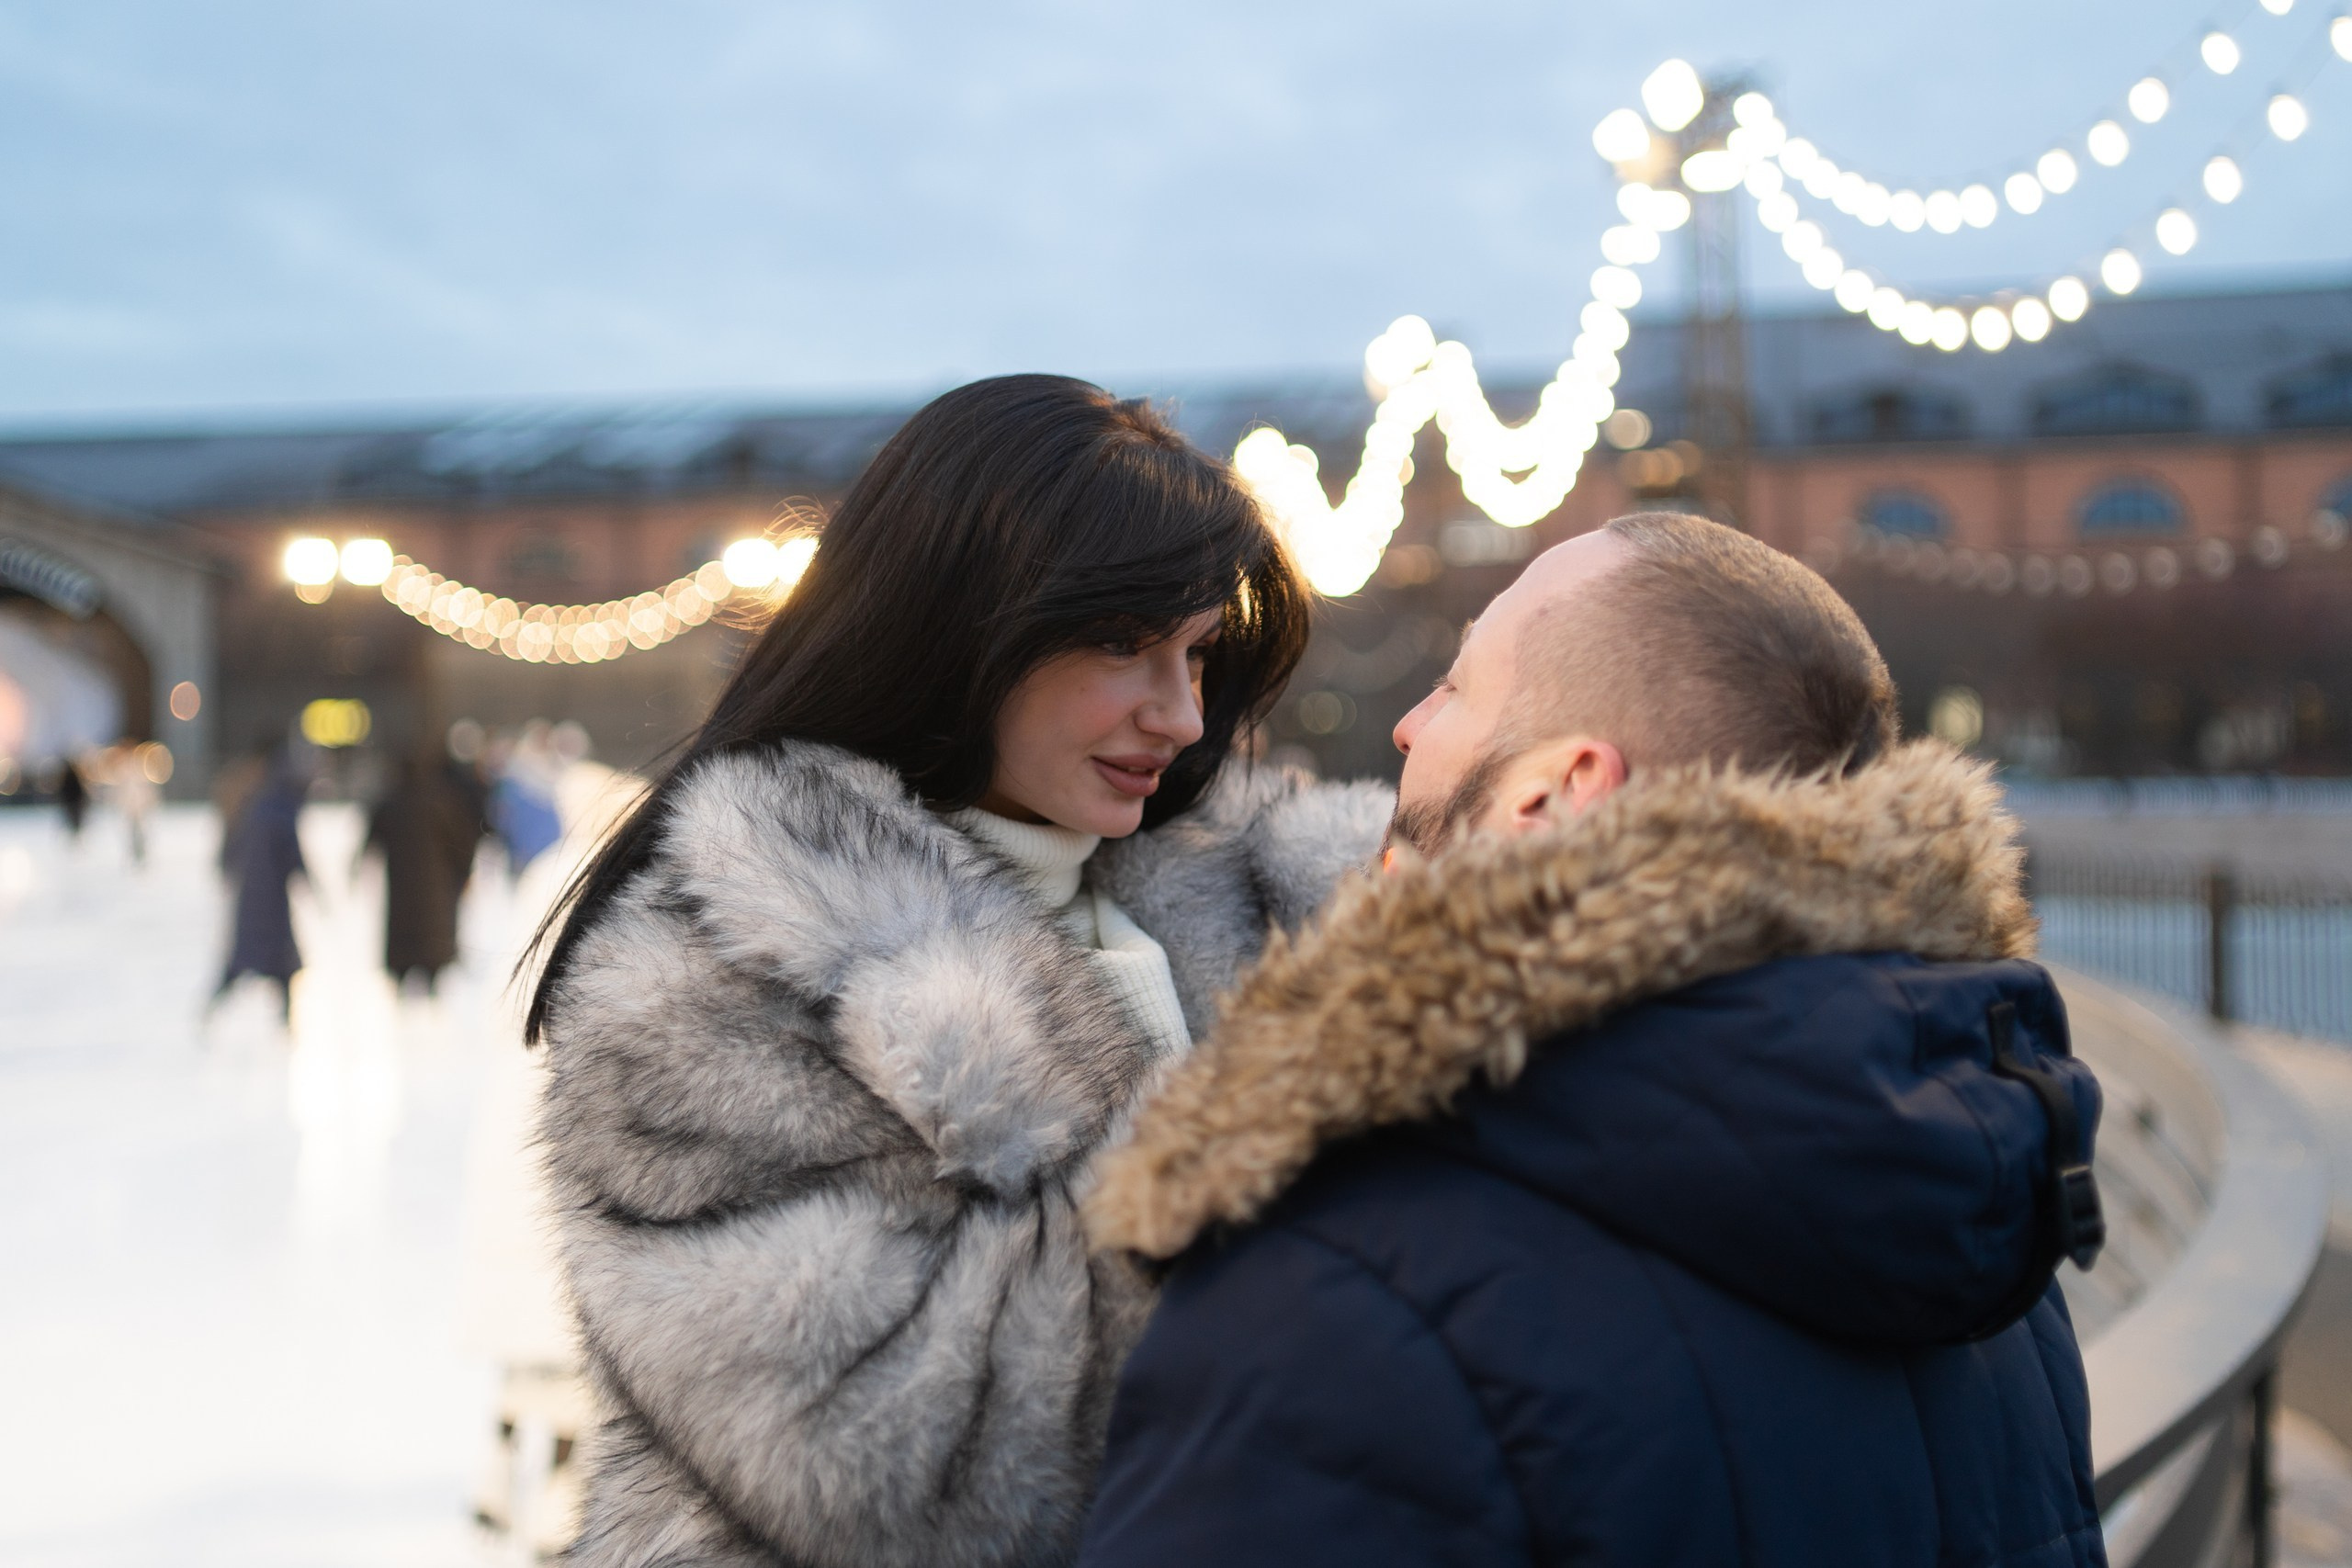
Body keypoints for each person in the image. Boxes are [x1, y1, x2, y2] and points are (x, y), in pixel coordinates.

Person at [1079, 512, 2108, 1568]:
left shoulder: (1344, 1298)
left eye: (1460, 689)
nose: (1409, 722)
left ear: (1561, 792)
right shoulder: (1976, 1205)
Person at [524, 375, 1391, 1568]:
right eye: (1122, 644)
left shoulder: (1242, 891)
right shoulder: (712, 970)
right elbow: (902, 1467)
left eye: (1197, 654)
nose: (1182, 714)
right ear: (958, 621)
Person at [359, 751, 484, 993]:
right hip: (436, 888)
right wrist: (464, 873)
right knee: (433, 941)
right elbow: (463, 841)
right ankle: (432, 985)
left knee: (404, 939)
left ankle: (403, 984)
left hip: (401, 888)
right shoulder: (441, 800)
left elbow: (370, 840)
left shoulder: (392, 800)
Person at [212, 744, 311, 1023]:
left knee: (250, 960)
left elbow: (234, 847)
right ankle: (287, 1020)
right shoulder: (276, 808)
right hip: (270, 901)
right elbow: (294, 856)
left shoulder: (255, 804)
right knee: (278, 962)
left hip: (253, 896)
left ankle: (285, 1019)